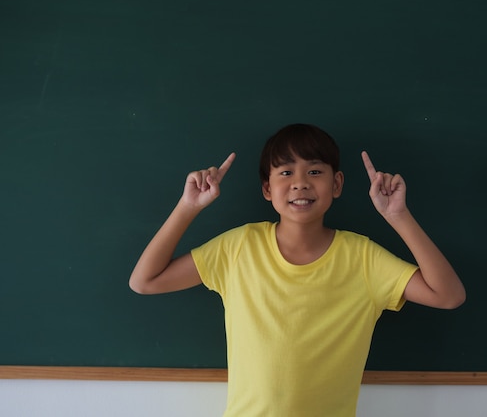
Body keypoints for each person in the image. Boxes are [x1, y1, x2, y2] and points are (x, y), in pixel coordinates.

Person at [129, 123, 465, 417]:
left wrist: (397, 216)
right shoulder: (238, 248)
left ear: (337, 184)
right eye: (286, 172)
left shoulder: (363, 258)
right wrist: (188, 207)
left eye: (315, 171)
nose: (300, 183)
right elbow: (146, 281)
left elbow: (448, 295)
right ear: (266, 189)